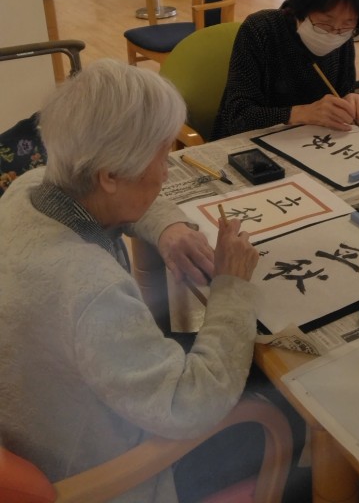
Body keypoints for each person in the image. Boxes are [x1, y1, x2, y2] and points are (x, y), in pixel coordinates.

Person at [0, 59, 261, 503]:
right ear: (110, 175)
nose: (166, 172)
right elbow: (190, 405)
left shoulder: (26, 189)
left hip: (45, 416)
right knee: (280, 414)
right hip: (107, 468)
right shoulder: (91, 289)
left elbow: (112, 198)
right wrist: (232, 288)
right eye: (161, 157)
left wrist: (168, 228)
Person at [212, 0, 359, 139]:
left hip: (313, 143)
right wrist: (300, 113)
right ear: (302, 7)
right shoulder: (261, 30)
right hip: (249, 143)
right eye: (325, 22)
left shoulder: (343, 36)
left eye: (348, 23)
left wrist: (351, 100)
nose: (334, 32)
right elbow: (238, 117)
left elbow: (343, 91)